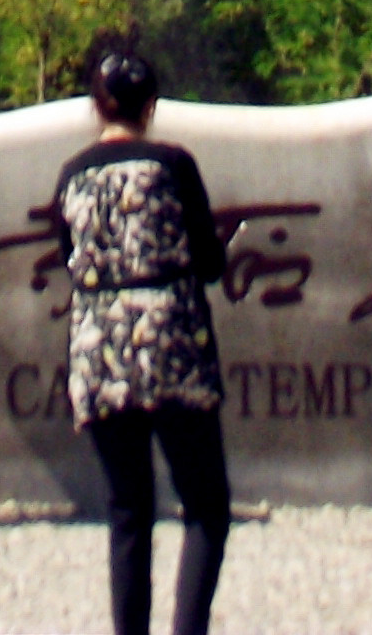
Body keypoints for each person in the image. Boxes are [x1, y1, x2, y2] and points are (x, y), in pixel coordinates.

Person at [56, 46, 233, 635]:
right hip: (170, 343)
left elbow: (68, 260)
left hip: (98, 348)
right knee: (204, 505)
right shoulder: (172, 164)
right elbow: (208, 261)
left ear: (95, 107)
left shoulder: (72, 175)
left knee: (128, 510)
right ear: (151, 106)